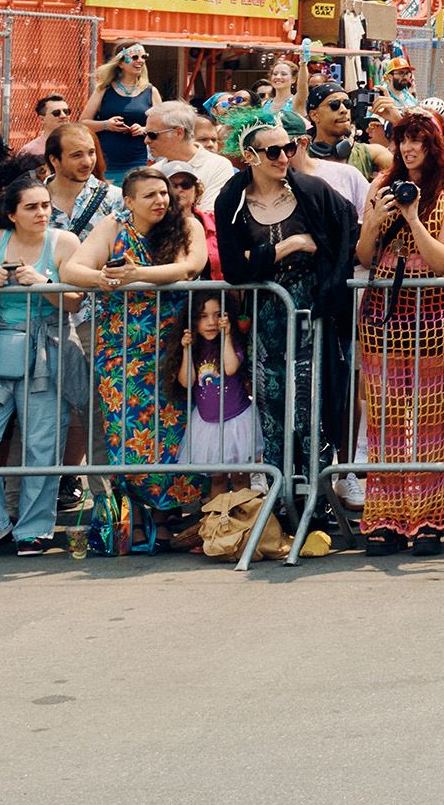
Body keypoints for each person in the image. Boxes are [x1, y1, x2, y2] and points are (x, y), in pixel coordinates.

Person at [60, 158, 208, 551]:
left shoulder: (185, 224)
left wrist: (137, 273)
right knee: (126, 435)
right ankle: (136, 520)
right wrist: (106, 278)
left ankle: (164, 516)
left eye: (164, 192)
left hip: (171, 347)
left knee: (171, 433)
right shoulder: (112, 226)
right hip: (120, 351)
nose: (161, 200)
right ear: (128, 201)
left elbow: (191, 267)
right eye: (150, 195)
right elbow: (71, 270)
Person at [342, 112, 444, 552]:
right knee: (384, 415)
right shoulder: (380, 185)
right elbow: (363, 255)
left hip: (434, 312)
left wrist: (414, 217)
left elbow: (442, 261)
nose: (409, 149)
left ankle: (430, 518)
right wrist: (375, 220)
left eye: (418, 140)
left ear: (435, 145)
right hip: (382, 309)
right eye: (402, 141)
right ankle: (387, 517)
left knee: (431, 414)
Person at [209, 119, 353, 500]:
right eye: (273, 151)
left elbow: (346, 233)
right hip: (266, 318)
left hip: (311, 315)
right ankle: (280, 496)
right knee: (272, 411)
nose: (283, 157)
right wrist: (288, 246)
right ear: (250, 156)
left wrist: (328, 283)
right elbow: (234, 267)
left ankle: (316, 498)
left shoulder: (312, 190)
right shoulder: (232, 200)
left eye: (289, 148)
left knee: (311, 409)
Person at [0, 174, 79, 559]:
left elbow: (74, 302)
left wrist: (43, 282)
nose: (43, 213)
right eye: (32, 207)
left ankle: (35, 529)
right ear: (11, 213)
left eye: (45, 205)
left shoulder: (65, 241)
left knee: (43, 445)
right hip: (0, 347)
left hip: (49, 346)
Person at [177, 289, 260, 484]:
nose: (211, 322)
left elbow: (230, 368)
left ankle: (243, 514)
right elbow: (186, 381)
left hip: (236, 421)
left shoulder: (231, 343)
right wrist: (186, 350)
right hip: (208, 426)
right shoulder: (196, 349)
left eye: (217, 315)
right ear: (193, 321)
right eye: (203, 316)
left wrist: (228, 336)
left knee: (241, 479)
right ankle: (218, 515)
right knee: (218, 480)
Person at [88, 44, 157, 175]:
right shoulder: (103, 90)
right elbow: (83, 123)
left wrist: (143, 129)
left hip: (137, 161)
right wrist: (106, 125)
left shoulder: (150, 91)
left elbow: (162, 126)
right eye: (134, 57)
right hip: (106, 162)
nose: (140, 61)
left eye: (144, 57)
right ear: (120, 63)